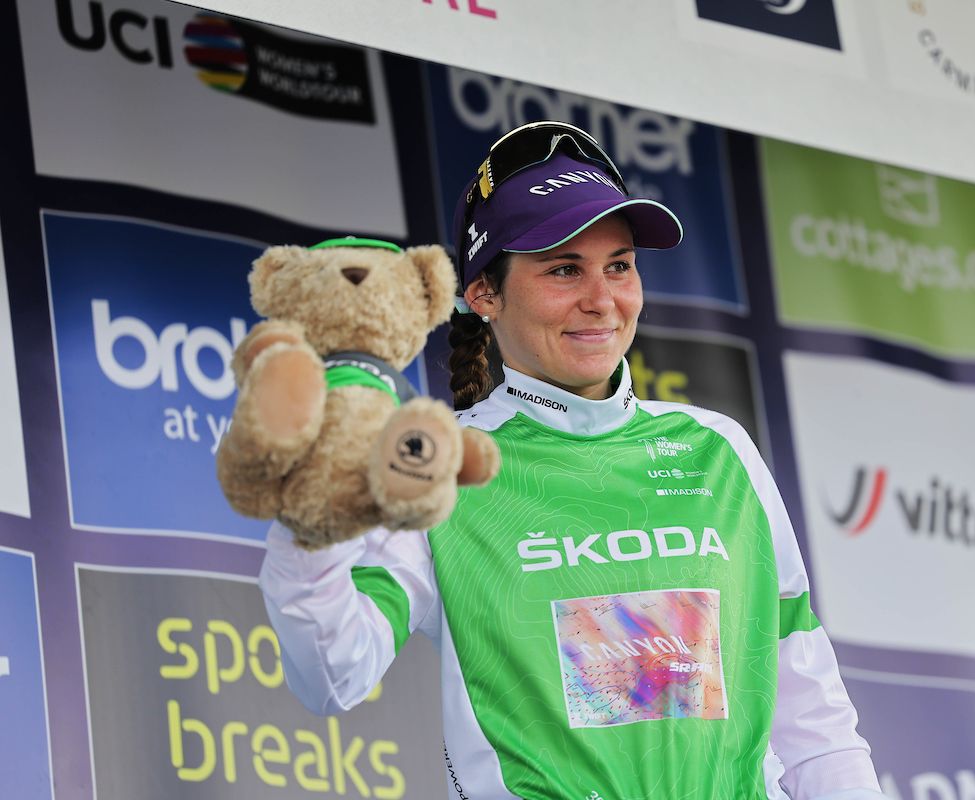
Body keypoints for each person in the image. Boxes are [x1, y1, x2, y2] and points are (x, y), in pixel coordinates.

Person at [260, 121, 885, 800]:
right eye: (564, 269)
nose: (602, 299)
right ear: (484, 294)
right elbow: (332, 674)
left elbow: (813, 721)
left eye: (619, 265)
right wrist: (310, 525)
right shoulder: (443, 466)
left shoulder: (719, 451)